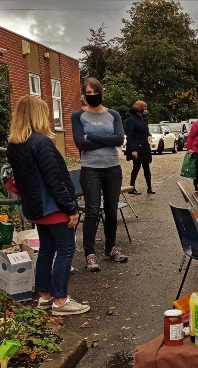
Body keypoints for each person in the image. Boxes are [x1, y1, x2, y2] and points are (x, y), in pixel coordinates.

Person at [6, 96, 90, 316]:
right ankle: (61, 300)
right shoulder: (42, 142)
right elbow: (56, 180)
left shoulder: (15, 145)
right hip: (53, 207)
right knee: (66, 249)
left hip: (35, 207)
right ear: (38, 115)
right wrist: (71, 209)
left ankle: (45, 296)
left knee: (46, 250)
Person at [71, 77, 128, 272]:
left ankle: (110, 248)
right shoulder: (78, 116)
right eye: (89, 93)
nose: (92, 96)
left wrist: (92, 136)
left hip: (113, 167)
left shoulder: (113, 115)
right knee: (93, 210)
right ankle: (90, 254)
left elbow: (119, 139)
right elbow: (80, 144)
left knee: (111, 210)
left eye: (95, 93)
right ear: (84, 95)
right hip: (90, 168)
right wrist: (107, 140)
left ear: (101, 93)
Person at [125, 100, 154, 195]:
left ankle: (149, 187)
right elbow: (130, 135)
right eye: (145, 108)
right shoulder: (131, 119)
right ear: (140, 108)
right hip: (136, 146)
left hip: (144, 145)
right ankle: (132, 187)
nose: (146, 110)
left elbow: (146, 130)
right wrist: (133, 149)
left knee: (147, 167)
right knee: (136, 167)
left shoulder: (143, 118)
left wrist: (148, 135)